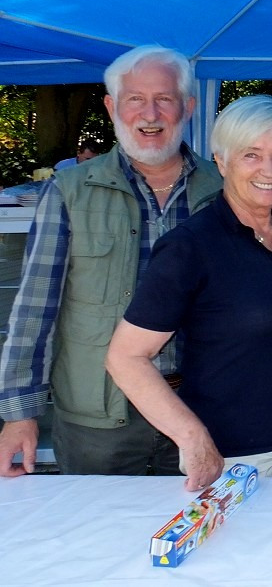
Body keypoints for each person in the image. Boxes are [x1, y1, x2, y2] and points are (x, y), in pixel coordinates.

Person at [0, 46, 222, 477]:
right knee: (92, 539)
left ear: (188, 107)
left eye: (165, 99)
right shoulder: (69, 191)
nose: (150, 113)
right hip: (98, 421)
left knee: (202, 536)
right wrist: (19, 414)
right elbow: (33, 312)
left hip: (202, 409)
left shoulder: (223, 190)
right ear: (111, 106)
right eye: (135, 98)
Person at [106, 96, 272, 490]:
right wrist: (192, 437)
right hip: (234, 457)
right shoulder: (190, 247)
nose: (269, 170)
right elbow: (125, 356)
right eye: (252, 154)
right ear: (222, 160)